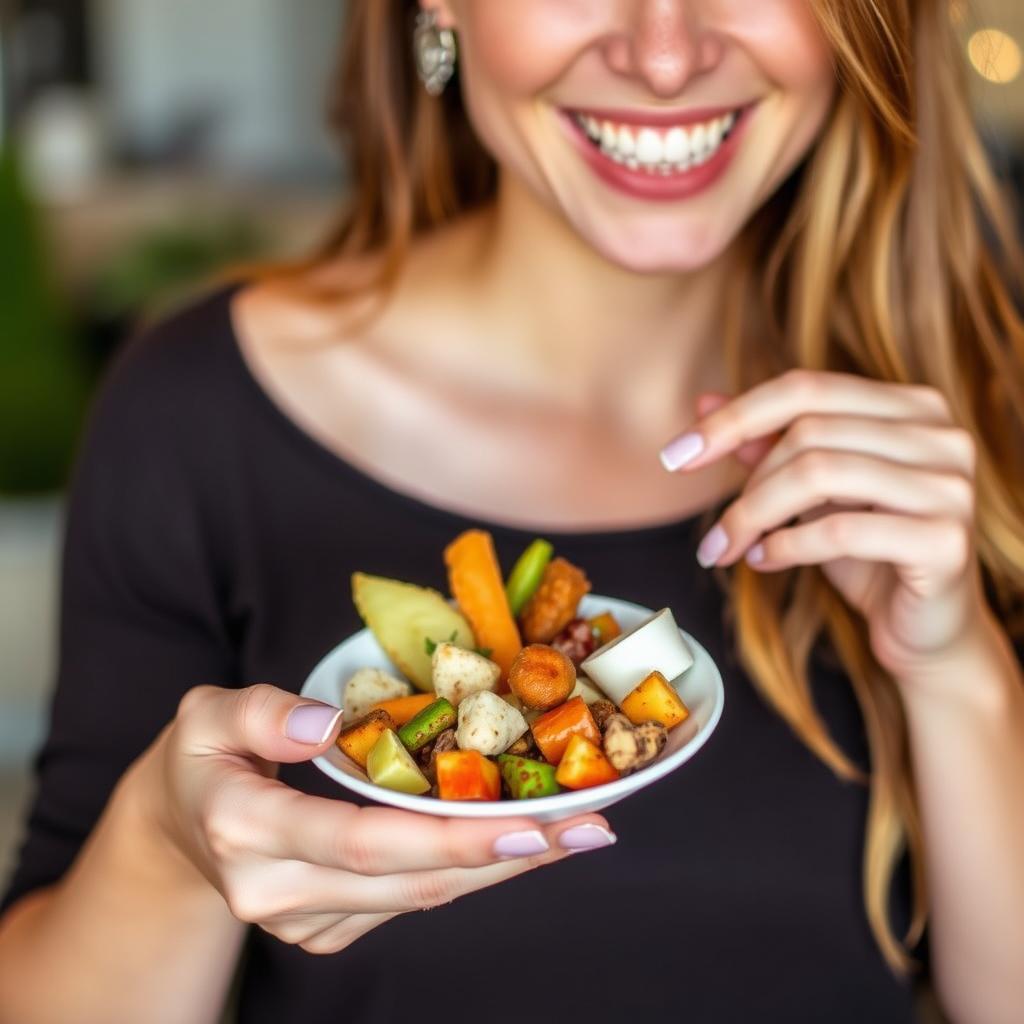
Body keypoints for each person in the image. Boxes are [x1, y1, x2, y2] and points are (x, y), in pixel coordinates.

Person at [2, 2, 1023, 1021]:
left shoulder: (972, 401)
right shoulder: (194, 416)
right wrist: (166, 845)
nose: (664, 55)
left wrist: (956, 666)